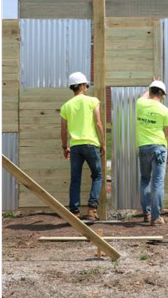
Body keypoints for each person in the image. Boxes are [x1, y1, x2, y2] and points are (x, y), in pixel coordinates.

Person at [60, 71, 105, 221]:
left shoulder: (66, 106)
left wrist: (64, 147)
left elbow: (63, 130)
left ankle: (74, 212)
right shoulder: (93, 101)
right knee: (98, 175)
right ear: (81, 85)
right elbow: (98, 123)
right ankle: (92, 210)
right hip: (91, 144)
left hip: (75, 147)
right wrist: (103, 143)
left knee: (75, 179)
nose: (87, 86)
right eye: (85, 84)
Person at [135, 79, 168, 224]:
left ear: (150, 91)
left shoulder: (140, 103)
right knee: (157, 182)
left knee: (145, 179)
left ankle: (147, 215)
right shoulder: (164, 110)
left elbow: (145, 95)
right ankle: (156, 218)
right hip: (159, 148)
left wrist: (152, 83)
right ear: (162, 94)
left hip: (143, 147)